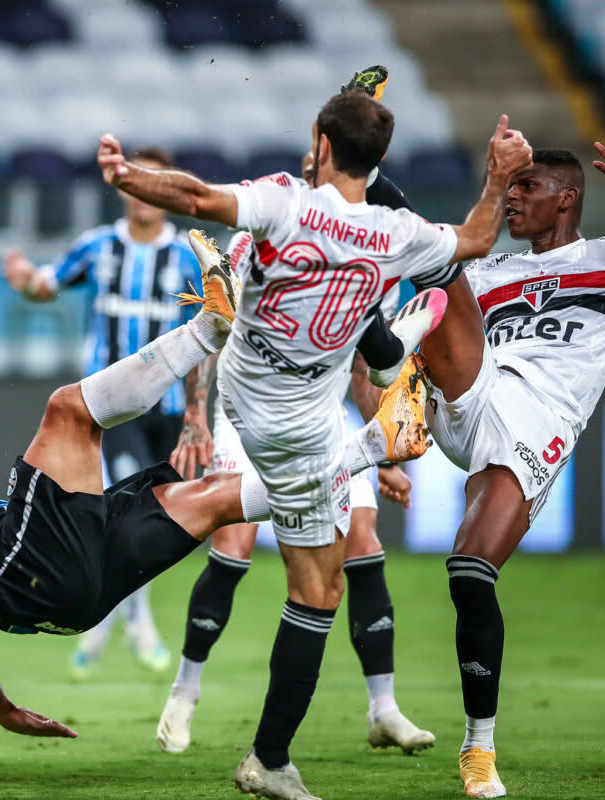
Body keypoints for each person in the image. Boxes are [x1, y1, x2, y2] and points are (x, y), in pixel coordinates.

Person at [94, 92, 532, 799]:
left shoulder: (283, 200)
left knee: (357, 417)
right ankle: (268, 760)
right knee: (318, 588)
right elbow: (478, 239)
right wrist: (499, 173)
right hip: (294, 427)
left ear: (320, 145)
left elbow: (197, 197)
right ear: (379, 160)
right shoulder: (397, 231)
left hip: (254, 393)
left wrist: (125, 175)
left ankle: (377, 413)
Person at [0, 250, 429, 739]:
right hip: (20, 570)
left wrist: (2, 707)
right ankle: (207, 327)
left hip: (71, 596)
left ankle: (372, 447)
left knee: (213, 496)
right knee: (68, 411)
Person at [156, 149, 432, 757]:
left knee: (363, 544)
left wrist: (381, 455)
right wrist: (196, 417)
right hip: (246, 409)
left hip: (321, 416)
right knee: (233, 543)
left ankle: (384, 708)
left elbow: (367, 360)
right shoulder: (258, 235)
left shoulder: (359, 253)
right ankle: (185, 690)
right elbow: (214, 321)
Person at [394, 145, 605, 798]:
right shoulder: (492, 271)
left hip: (535, 421)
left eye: (527, 186)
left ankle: (477, 748)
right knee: (439, 259)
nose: (513, 197)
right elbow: (448, 269)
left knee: (470, 573)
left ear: (567, 197)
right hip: (472, 393)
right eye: (508, 187)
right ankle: (359, 175)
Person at [2, 145, 204, 678]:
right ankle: (133, 623)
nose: (146, 193)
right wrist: (22, 277)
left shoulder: (187, 257)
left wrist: (199, 413)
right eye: (140, 181)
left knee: (149, 512)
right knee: (121, 490)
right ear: (126, 187)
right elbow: (47, 284)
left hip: (170, 406)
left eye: (158, 181)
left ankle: (108, 621)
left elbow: (212, 333)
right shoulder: (97, 247)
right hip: (109, 409)